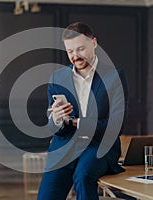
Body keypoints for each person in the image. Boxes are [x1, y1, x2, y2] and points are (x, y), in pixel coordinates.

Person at [37, 22, 129, 200]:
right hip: (64, 148)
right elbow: (54, 128)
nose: (75, 56)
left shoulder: (114, 76)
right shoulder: (57, 78)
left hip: (98, 146)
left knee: (83, 176)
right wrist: (56, 120)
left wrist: (75, 122)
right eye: (70, 51)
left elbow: (117, 125)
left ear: (94, 43)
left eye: (80, 49)